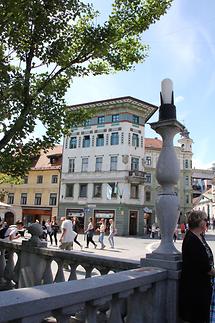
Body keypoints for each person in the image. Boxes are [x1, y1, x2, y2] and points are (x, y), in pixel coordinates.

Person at [179, 210, 215, 323]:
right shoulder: (192, 240)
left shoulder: (199, 236)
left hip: (202, 287)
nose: (207, 223)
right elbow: (204, 267)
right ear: (199, 222)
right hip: (196, 290)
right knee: (198, 318)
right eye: (205, 220)